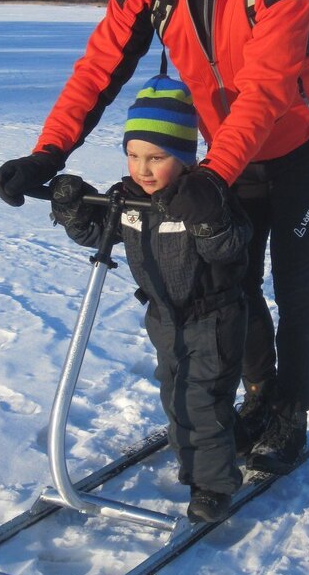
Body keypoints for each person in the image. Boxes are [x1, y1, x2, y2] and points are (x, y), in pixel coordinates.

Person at [0, 0, 309, 474]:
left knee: (294, 285)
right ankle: (260, 396)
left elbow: (265, 91)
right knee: (229, 281)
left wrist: (212, 177)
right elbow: (96, 72)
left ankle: (290, 409)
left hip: (301, 147)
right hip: (230, 153)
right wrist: (47, 152)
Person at [49, 75, 251, 524]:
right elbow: (98, 233)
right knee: (175, 392)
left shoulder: (206, 196)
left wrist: (206, 221)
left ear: (184, 157)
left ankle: (213, 485)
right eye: (134, 155)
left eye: (157, 158)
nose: (142, 169)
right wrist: (72, 211)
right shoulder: (129, 198)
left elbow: (232, 245)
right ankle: (211, 447)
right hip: (163, 319)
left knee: (200, 400)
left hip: (212, 321)